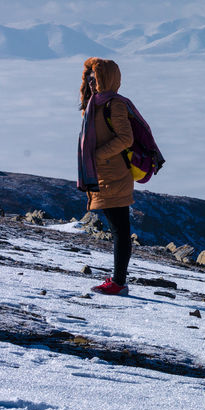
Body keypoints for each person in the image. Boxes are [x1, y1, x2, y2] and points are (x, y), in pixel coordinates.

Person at [77, 58, 135, 295]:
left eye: (95, 78)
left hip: (114, 174)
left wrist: (98, 155)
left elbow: (126, 138)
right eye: (89, 78)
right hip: (104, 173)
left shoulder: (114, 105)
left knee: (120, 229)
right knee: (118, 228)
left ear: (106, 79)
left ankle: (118, 283)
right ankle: (118, 280)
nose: (91, 83)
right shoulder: (95, 104)